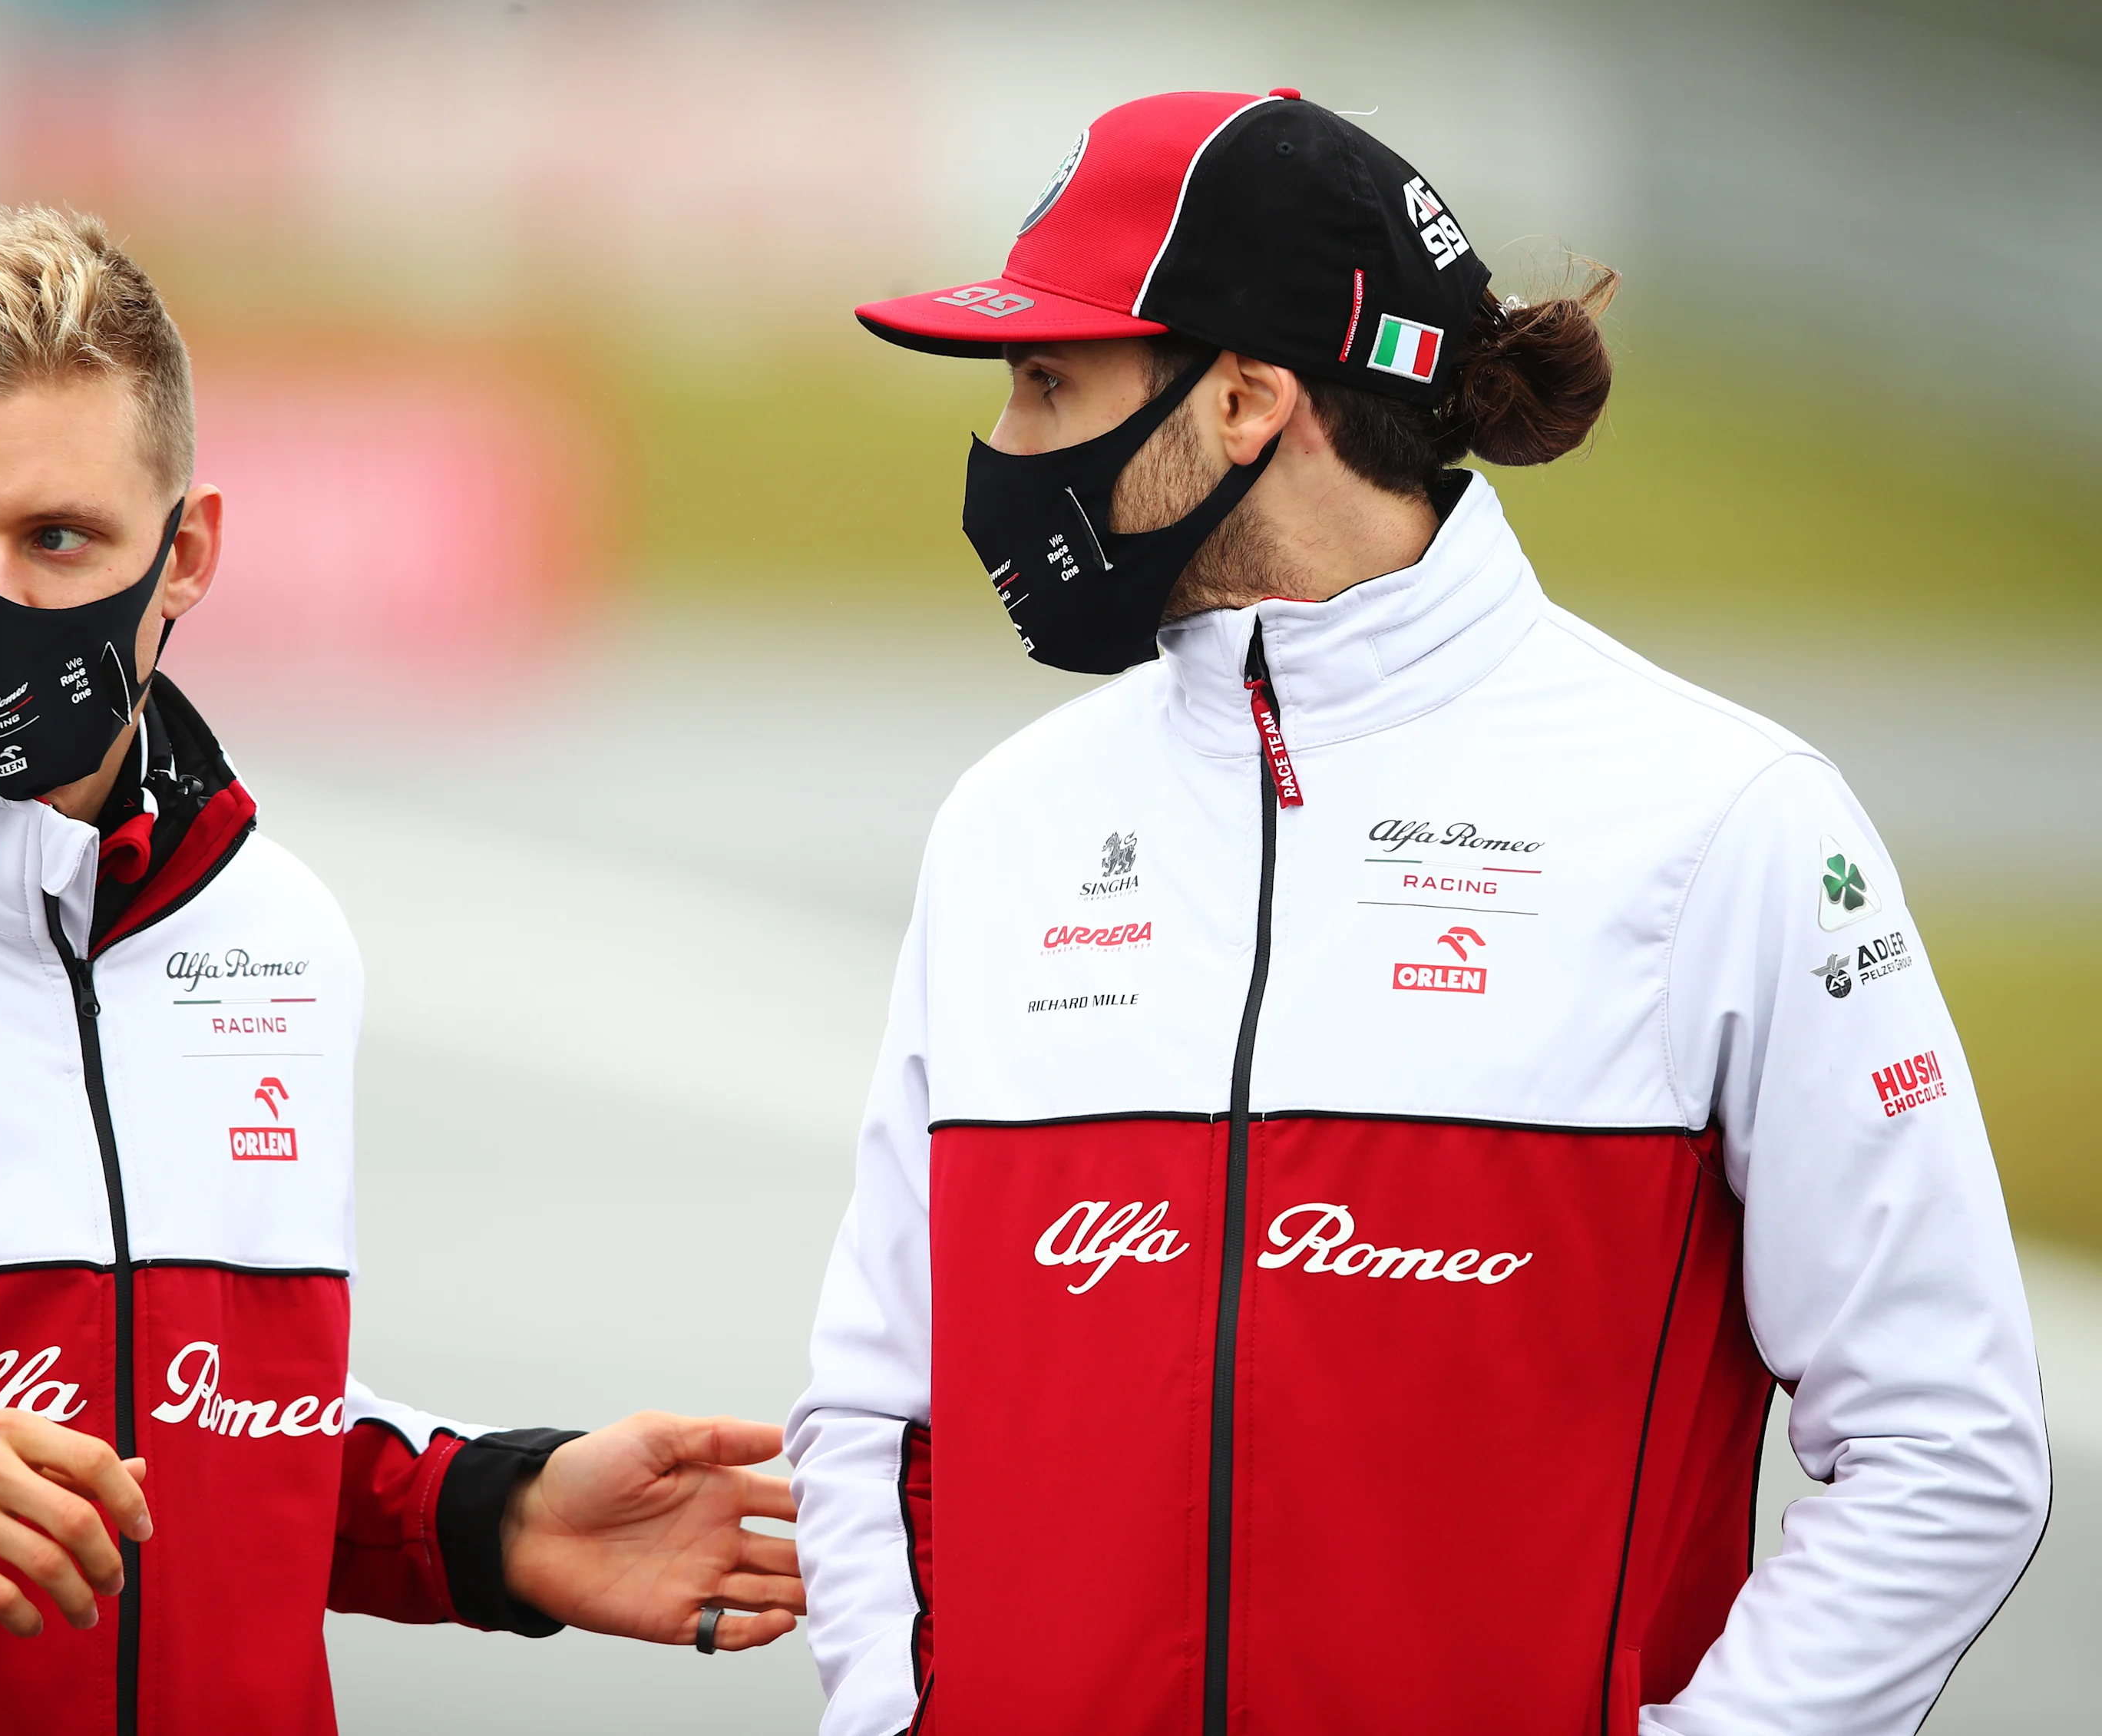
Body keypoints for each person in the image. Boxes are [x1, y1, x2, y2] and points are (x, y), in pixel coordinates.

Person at [787, 90, 2047, 1736]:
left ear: (1245, 397)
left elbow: (1944, 1442)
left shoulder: (1722, 817)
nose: (1006, 453)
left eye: (1044, 385)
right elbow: (878, 1404)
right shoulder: (1007, 823)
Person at [0, 207, 801, 1736]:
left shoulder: (274, 932)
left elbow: (190, 1413)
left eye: (58, 539)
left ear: (185, 552)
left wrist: (476, 1516)